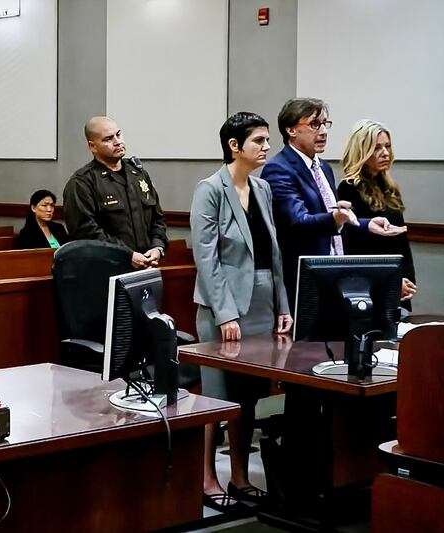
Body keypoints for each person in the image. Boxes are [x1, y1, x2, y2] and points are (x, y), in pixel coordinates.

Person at [190, 112, 293, 512]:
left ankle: (240, 477)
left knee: (248, 397)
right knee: (217, 397)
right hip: (224, 310)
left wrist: (283, 306)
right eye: (259, 141)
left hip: (263, 305)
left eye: (267, 140)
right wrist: (225, 313)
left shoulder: (263, 188)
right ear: (234, 146)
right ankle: (206, 479)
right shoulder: (210, 189)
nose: (267, 147)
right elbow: (207, 258)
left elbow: (273, 253)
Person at [260, 98, 405, 304]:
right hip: (304, 280)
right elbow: (297, 222)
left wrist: (366, 225)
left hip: (334, 273)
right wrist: (336, 218)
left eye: (325, 124)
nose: (323, 131)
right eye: (314, 124)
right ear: (291, 130)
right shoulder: (279, 169)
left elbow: (335, 221)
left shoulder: (324, 168)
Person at [63, 116, 168, 269]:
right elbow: (85, 233)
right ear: (93, 146)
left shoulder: (138, 174)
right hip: (106, 270)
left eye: (118, 134)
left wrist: (157, 247)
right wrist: (126, 255)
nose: (118, 142)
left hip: (147, 265)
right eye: (108, 139)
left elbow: (157, 218)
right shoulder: (82, 182)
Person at [338, 120, 416, 308]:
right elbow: (354, 245)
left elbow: (401, 240)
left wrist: (406, 277)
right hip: (371, 284)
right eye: (377, 148)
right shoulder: (349, 188)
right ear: (362, 151)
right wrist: (391, 280)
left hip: (398, 277)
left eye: (387, 146)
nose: (385, 153)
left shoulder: (389, 187)